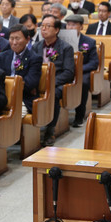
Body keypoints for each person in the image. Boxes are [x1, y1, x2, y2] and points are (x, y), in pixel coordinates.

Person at [32, 15, 75, 146]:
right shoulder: (36, 46)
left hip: (58, 83)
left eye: (48, 26)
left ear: (56, 30)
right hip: (39, 82)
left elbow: (68, 73)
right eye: (42, 26)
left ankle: (50, 130)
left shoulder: (66, 48)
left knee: (54, 94)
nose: (43, 29)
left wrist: (50, 83)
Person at [0, 25, 41, 116]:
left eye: (17, 38)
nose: (14, 42)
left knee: (14, 116)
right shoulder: (2, 56)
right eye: (11, 39)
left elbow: (29, 84)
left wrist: (9, 85)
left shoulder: (34, 58)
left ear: (27, 39)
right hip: (3, 96)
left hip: (23, 98)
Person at [64, 14, 98, 127]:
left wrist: (79, 70)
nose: (70, 27)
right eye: (68, 25)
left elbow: (94, 62)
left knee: (82, 83)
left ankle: (79, 116)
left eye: (73, 25)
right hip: (65, 71)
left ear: (81, 27)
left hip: (82, 72)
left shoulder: (89, 42)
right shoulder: (61, 40)